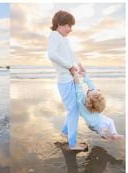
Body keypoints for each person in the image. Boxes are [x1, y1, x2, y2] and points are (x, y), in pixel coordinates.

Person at [48, 10, 87, 151]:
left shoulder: (64, 38)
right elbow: (51, 54)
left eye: (71, 26)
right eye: (68, 26)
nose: (70, 29)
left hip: (70, 78)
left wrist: (79, 64)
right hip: (64, 80)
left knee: (74, 108)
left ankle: (65, 132)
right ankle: (72, 144)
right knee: (73, 110)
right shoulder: (54, 36)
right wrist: (70, 66)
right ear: (59, 24)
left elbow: (71, 54)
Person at [73, 69, 124, 140]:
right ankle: (113, 133)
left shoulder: (82, 101)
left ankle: (104, 134)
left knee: (101, 126)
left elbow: (78, 87)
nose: (91, 89)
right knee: (110, 121)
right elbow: (92, 86)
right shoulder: (96, 105)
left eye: (90, 91)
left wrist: (75, 74)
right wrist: (84, 74)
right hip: (98, 123)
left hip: (91, 126)